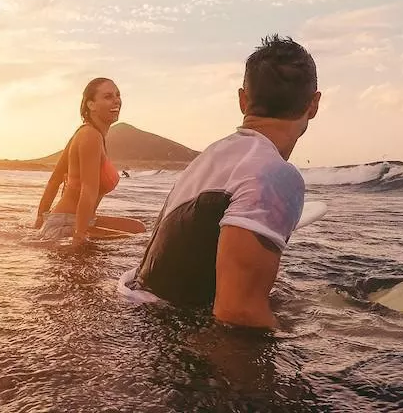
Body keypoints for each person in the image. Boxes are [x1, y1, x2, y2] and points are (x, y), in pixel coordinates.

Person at [123, 35, 321, 329]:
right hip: (179, 349)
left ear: (243, 100)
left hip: (141, 320)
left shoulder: (211, 158)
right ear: (314, 104)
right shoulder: (274, 174)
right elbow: (238, 314)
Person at [34, 78, 122, 246]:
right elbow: (88, 190)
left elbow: (55, 180)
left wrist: (40, 219)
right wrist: (79, 237)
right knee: (136, 241)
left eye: (117, 95)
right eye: (108, 96)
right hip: (67, 225)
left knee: (138, 229)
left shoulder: (86, 134)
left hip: (72, 221)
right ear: (91, 105)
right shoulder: (90, 136)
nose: (116, 100)